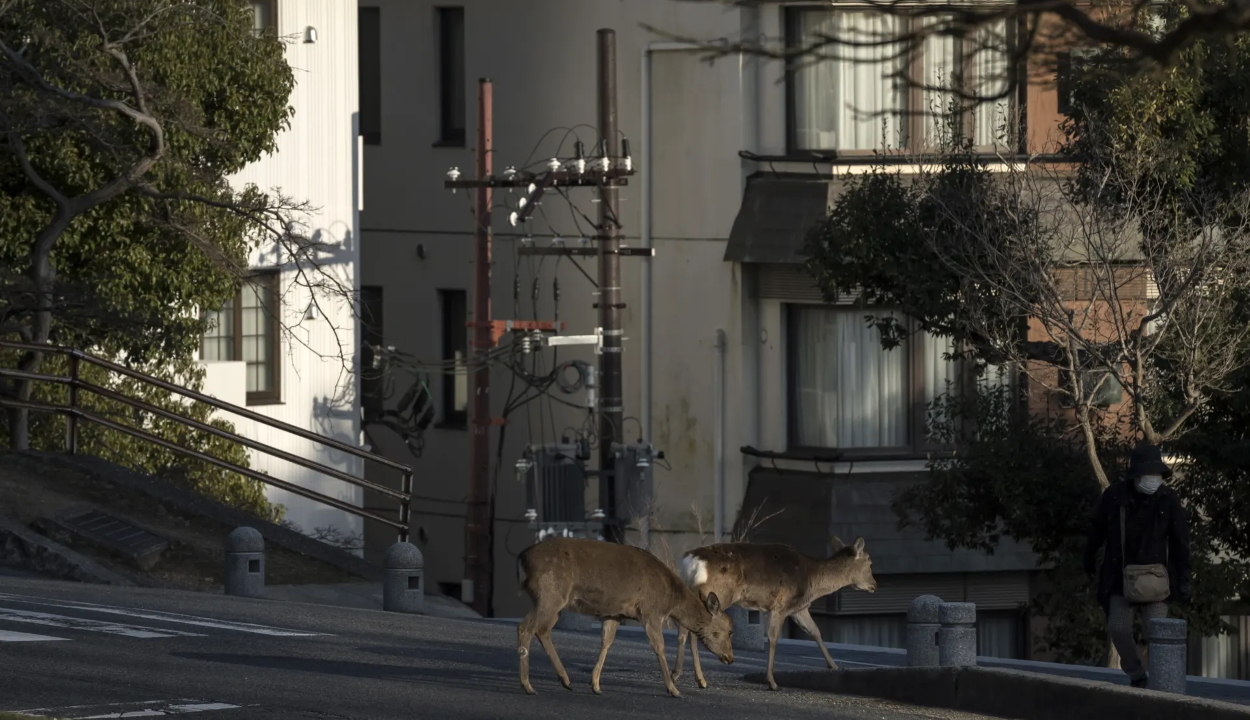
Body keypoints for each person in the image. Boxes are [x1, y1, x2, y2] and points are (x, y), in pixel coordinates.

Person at [1084, 441, 1191, 688]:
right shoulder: (1115, 497)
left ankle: (1163, 682)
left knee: (1157, 631)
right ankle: (1137, 674)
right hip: (1120, 577)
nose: (1153, 479)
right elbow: (1097, 531)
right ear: (1136, 474)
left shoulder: (1168, 499)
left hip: (1156, 580)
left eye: (1157, 473)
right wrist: (1088, 557)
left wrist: (1184, 578)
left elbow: (1180, 542)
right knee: (1118, 629)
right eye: (1148, 473)